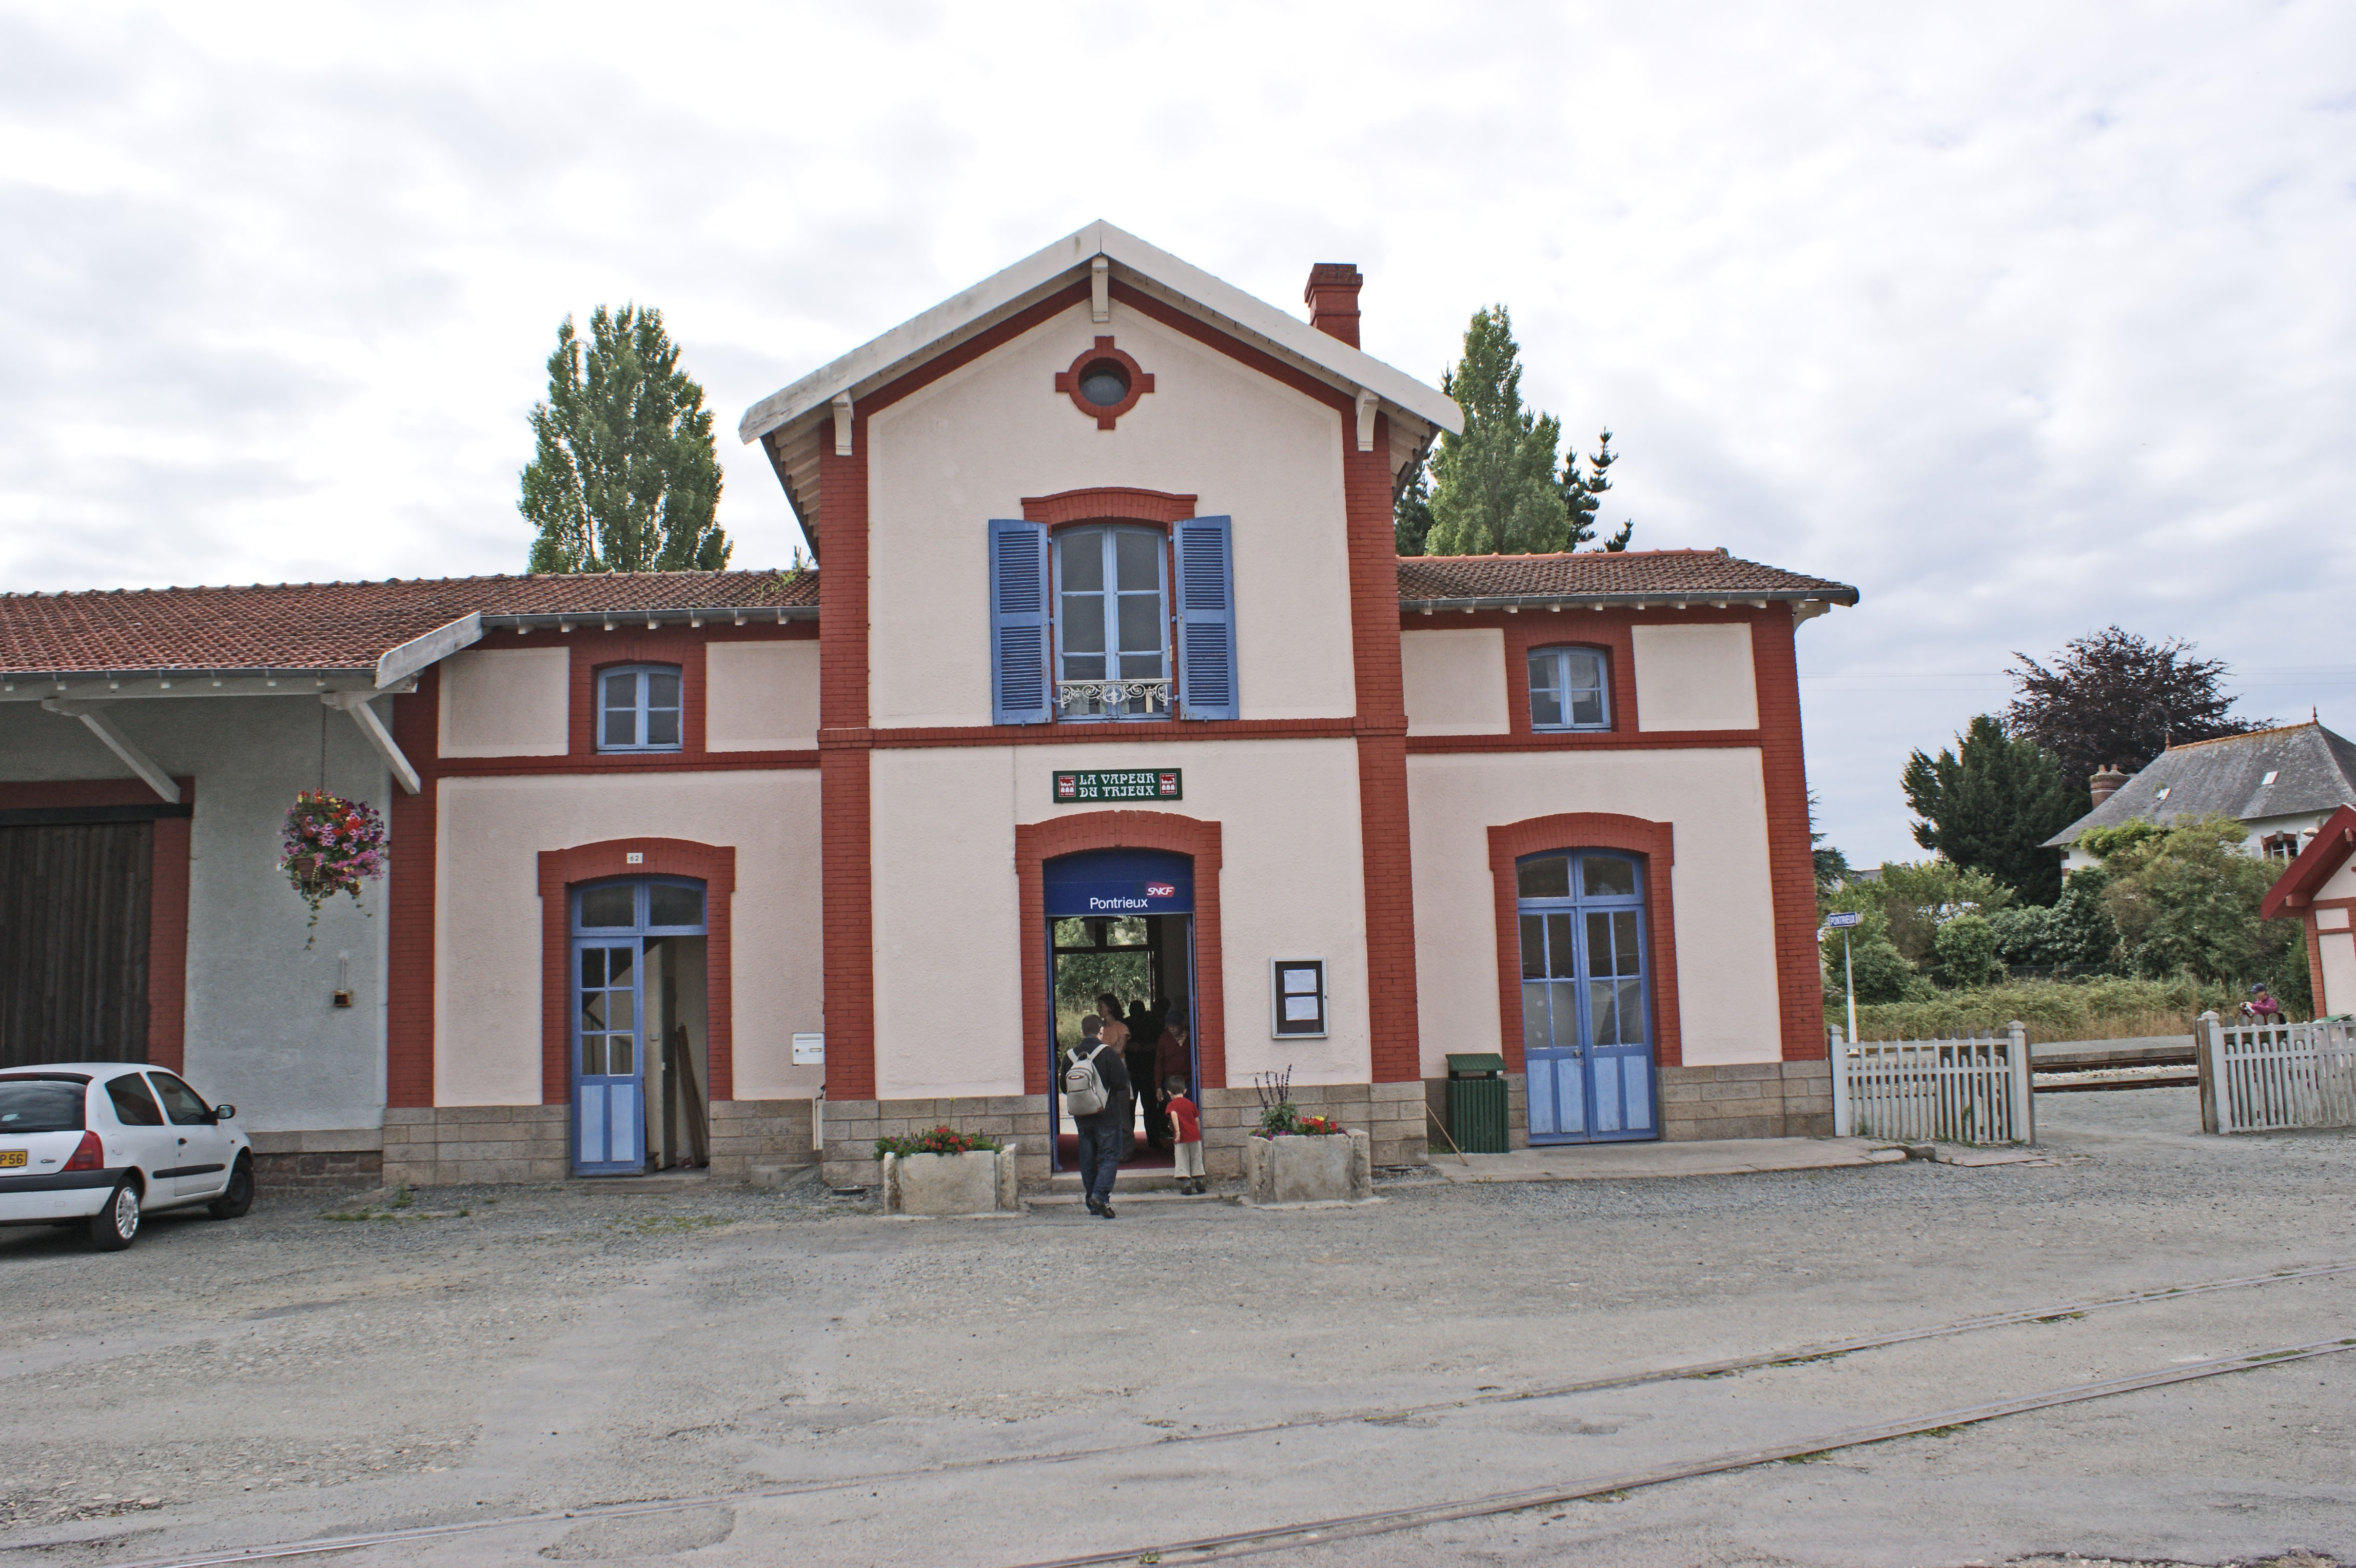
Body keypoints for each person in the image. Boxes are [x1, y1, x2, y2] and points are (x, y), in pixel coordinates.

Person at [1069, 1011, 1131, 1219]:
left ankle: (1092, 1199)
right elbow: (1122, 1082)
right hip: (1107, 1114)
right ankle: (1100, 1195)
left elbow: (1063, 1086)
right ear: (1101, 1032)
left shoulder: (1070, 1056)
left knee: (1087, 1158)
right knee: (1110, 1156)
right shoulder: (1107, 1053)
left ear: (1081, 1032)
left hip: (1082, 1116)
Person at [1124, 998, 1161, 1153]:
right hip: (1130, 1072)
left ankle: (1154, 1139)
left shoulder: (1153, 1024)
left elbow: (1160, 1044)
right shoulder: (1125, 1024)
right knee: (1129, 1109)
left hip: (1148, 1071)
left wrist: (1143, 1048)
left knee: (1151, 1108)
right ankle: (1129, 1141)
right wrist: (1129, 1047)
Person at [1165, 1073, 1204, 1194]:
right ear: (1185, 1090)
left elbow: (1174, 1116)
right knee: (1197, 1159)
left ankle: (1187, 1185)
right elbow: (1197, 1119)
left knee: (1183, 1160)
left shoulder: (1172, 1105)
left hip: (1182, 1139)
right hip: (1195, 1137)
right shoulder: (1191, 1104)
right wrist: (1198, 1133)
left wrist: (1178, 1133)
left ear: (1169, 1093)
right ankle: (1199, 1182)